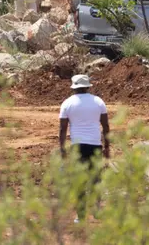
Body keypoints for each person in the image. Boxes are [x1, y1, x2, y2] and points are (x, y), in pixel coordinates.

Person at [59, 74, 110, 223]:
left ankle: (80, 215)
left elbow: (62, 129)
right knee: (96, 179)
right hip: (95, 145)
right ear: (88, 86)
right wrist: (107, 147)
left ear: (73, 87)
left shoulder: (67, 103)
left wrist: (62, 149)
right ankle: (97, 211)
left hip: (77, 147)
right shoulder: (98, 102)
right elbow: (106, 126)